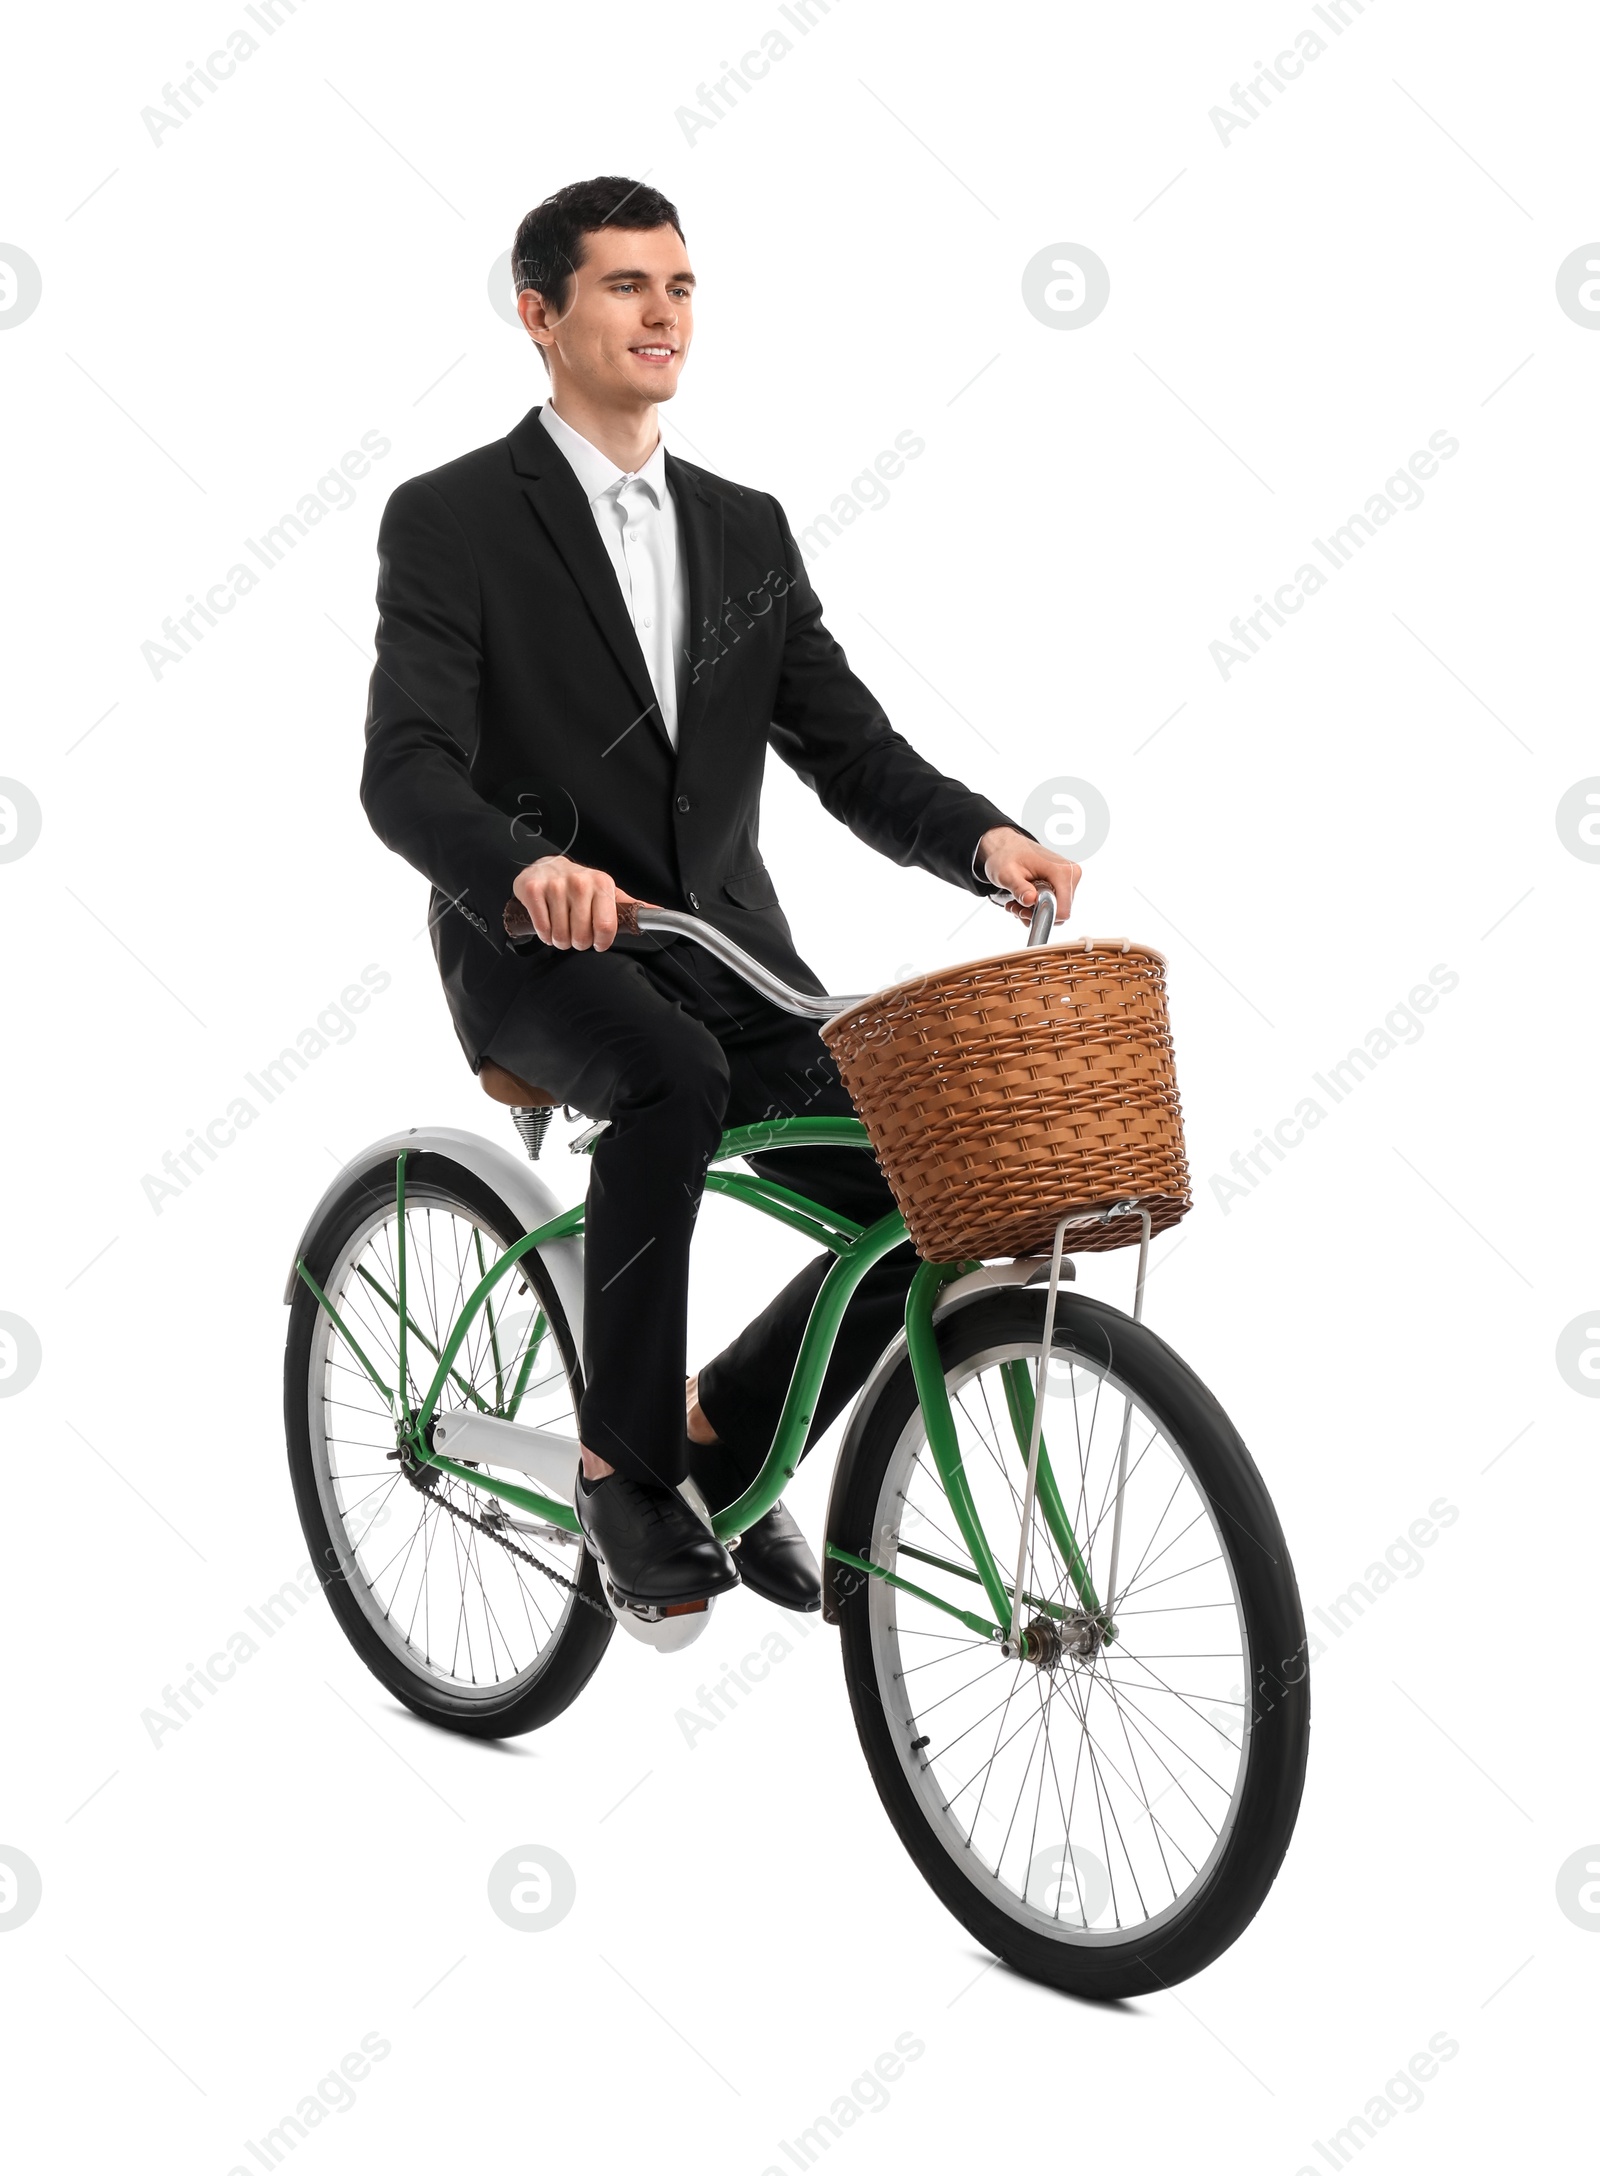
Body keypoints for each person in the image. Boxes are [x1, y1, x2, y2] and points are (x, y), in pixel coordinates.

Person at [361, 176, 1082, 1620]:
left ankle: (719, 1433)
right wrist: (522, 869)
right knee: (668, 1077)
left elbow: (851, 751)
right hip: (538, 951)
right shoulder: (451, 521)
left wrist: (985, 839)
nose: (662, 312)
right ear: (539, 314)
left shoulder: (744, 529)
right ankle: (623, 1473)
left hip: (728, 958)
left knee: (936, 1200)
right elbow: (404, 770)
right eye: (625, 285)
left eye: (680, 286)